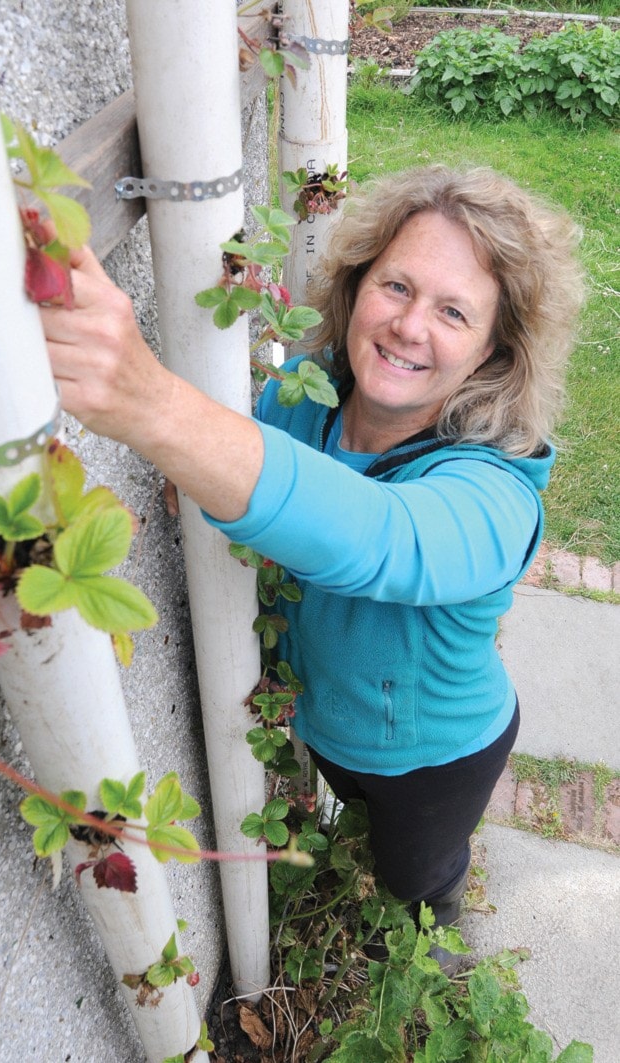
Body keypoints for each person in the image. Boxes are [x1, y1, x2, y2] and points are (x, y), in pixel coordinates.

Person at [41, 164, 584, 974]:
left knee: (413, 872)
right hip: (330, 728)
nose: (407, 326)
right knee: (347, 812)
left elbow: (379, 538)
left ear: (490, 352)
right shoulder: (304, 398)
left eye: (453, 311)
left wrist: (147, 402)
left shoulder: (495, 497)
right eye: (395, 285)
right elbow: (244, 463)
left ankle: (432, 950)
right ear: (357, 282)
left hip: (434, 756)